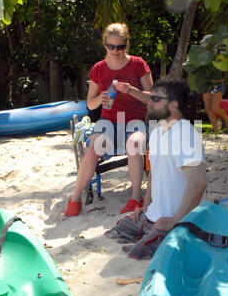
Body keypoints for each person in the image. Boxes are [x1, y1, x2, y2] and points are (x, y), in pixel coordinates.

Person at [104, 77, 207, 260]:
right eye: (150, 98)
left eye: (156, 99)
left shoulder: (186, 134)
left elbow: (198, 183)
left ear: (174, 105)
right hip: (154, 215)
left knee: (135, 255)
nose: (149, 102)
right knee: (119, 229)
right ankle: (148, 228)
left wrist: (175, 221)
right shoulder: (158, 132)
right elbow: (153, 174)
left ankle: (160, 235)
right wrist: (145, 207)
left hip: (179, 220)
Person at [65, 23, 153, 217]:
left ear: (127, 44)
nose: (115, 51)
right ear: (105, 45)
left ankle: (136, 197)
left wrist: (131, 90)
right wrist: (100, 98)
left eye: (120, 47)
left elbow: (153, 99)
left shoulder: (138, 64)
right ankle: (75, 198)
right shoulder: (99, 69)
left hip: (135, 121)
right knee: (94, 147)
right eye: (111, 46)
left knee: (135, 143)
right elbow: (91, 104)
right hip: (109, 122)